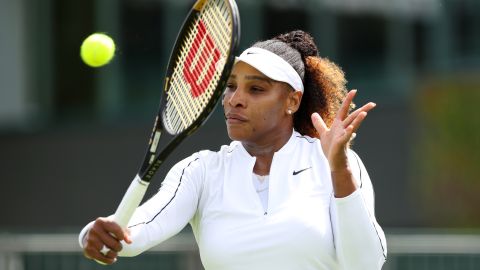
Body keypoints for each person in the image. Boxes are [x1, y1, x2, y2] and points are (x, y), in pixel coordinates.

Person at [79, 30, 387, 269]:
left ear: (292, 101)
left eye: (255, 89)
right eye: (230, 86)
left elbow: (365, 265)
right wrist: (97, 234)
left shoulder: (335, 164)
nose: (234, 99)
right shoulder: (202, 171)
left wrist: (340, 170)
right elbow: (139, 228)